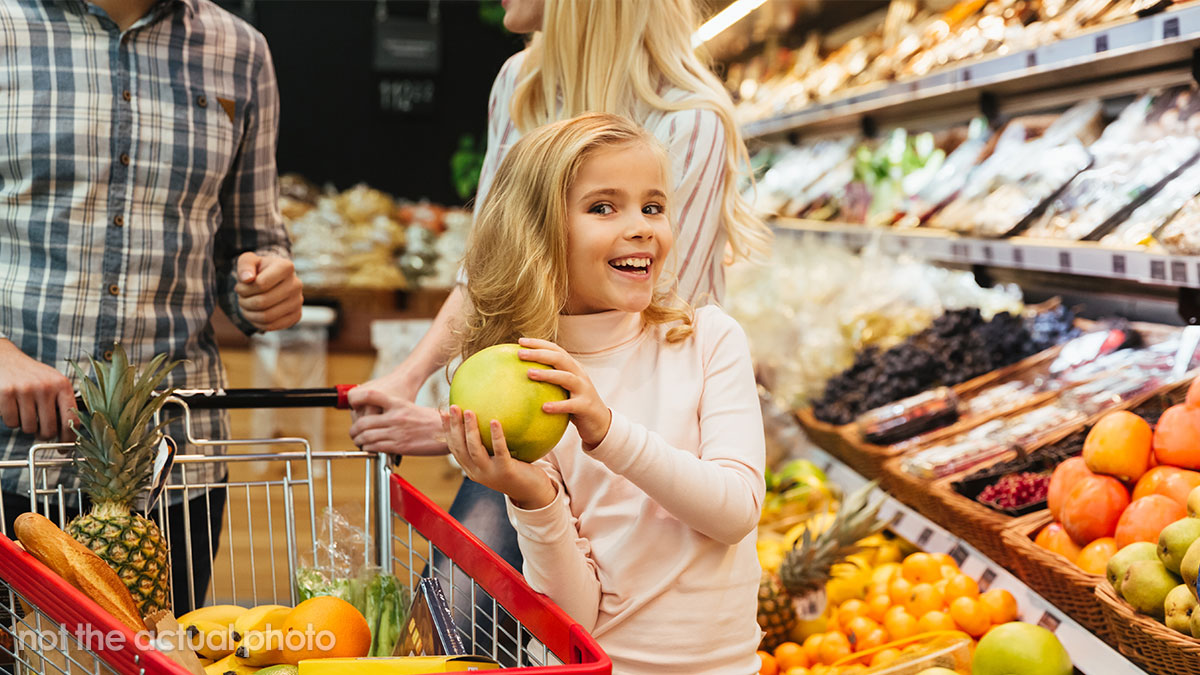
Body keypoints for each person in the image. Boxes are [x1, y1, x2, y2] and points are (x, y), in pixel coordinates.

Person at [348, 0, 770, 573]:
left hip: (634, 431)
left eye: (651, 207)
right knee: (461, 606)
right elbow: (494, 266)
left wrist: (464, 432)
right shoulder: (522, 84)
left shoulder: (687, 121)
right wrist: (410, 378)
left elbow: (657, 322)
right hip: (531, 410)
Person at [0, 0, 302, 613]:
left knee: (167, 652)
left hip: (173, 467)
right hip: (12, 453)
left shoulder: (240, 51)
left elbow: (251, 239)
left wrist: (264, 285)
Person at [443, 112, 765, 673]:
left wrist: (607, 431)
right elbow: (576, 615)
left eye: (653, 207)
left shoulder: (708, 340)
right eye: (603, 207)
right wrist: (530, 496)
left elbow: (736, 511)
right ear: (537, 231)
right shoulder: (527, 379)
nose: (641, 227)